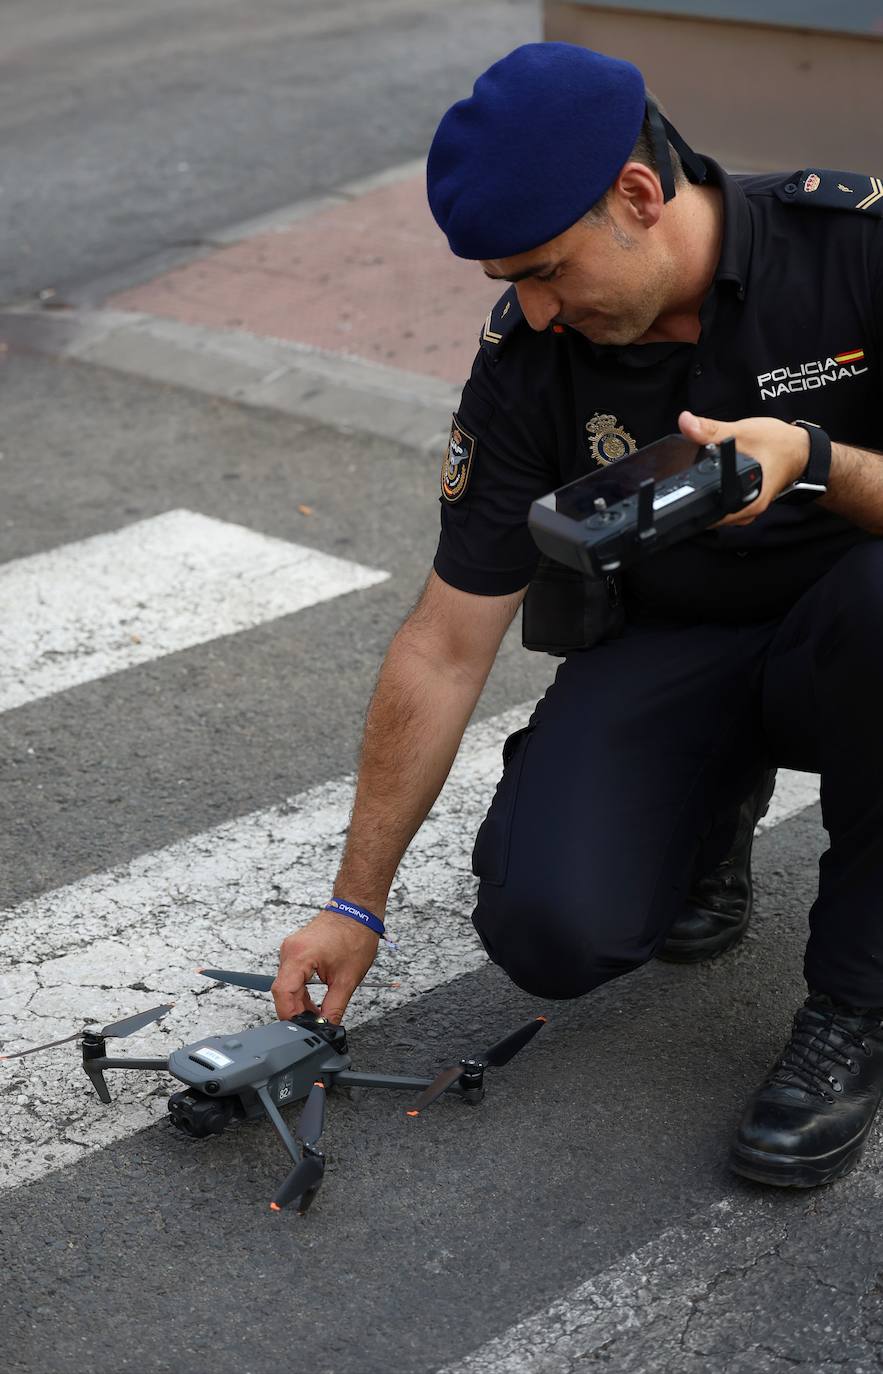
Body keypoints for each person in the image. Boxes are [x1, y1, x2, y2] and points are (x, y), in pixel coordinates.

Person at [273, 43, 883, 1188]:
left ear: (639, 195)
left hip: (856, 638)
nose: (537, 310)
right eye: (513, 281)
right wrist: (355, 902)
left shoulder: (852, 253)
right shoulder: (531, 354)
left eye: (549, 270)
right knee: (548, 928)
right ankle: (708, 810)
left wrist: (815, 463)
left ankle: (855, 1005)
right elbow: (446, 641)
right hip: (676, 645)